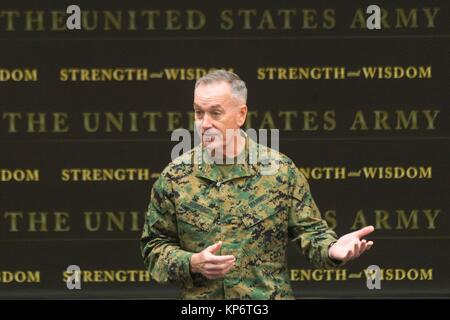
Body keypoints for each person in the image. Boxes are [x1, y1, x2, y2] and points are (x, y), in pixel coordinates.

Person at [140, 70, 374, 299]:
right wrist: (191, 263)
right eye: (199, 113)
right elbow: (154, 247)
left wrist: (332, 249)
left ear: (241, 115)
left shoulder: (279, 171)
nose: (205, 123)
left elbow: (311, 233)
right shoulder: (175, 176)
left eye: (216, 113)